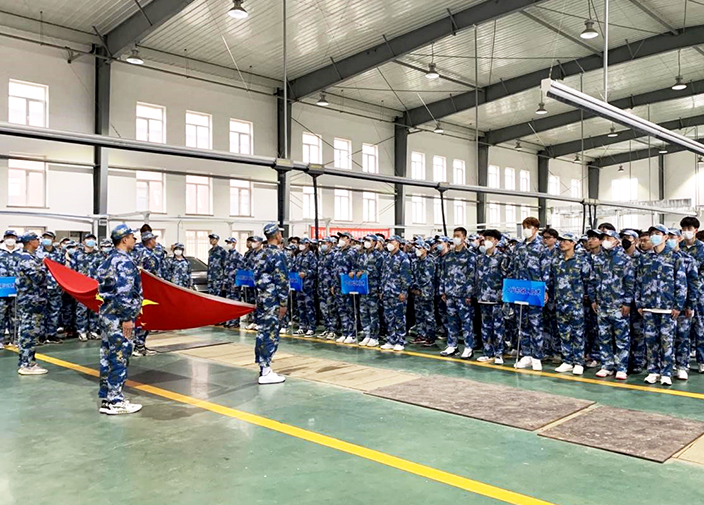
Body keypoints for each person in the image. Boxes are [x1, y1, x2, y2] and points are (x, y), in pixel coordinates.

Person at [96, 224, 143, 414]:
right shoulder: (124, 262)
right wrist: (127, 317)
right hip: (119, 317)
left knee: (107, 355)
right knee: (120, 355)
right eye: (132, 237)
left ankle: (108, 397)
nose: (134, 240)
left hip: (108, 314)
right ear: (124, 239)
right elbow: (123, 293)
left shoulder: (109, 259)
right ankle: (115, 400)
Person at [635, 225, 686, 386]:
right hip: (649, 307)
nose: (654, 236)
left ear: (665, 237)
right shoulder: (644, 258)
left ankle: (666, 372)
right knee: (650, 341)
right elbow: (639, 282)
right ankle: (653, 371)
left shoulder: (675, 258)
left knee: (666, 341)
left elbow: (681, 283)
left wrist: (678, 305)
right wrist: (639, 303)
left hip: (667, 308)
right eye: (652, 234)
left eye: (658, 233)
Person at [591, 229, 634, 380]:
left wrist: (627, 302)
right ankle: (607, 365)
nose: (606, 241)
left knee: (622, 338)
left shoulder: (624, 260)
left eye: (609, 238)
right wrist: (593, 299)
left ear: (617, 241)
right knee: (604, 337)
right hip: (602, 305)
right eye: (604, 238)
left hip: (618, 305)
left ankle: (621, 367)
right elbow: (593, 280)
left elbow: (629, 283)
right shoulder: (598, 259)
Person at [551, 232, 593, 375]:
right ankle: (567, 360)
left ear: (573, 243)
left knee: (578, 332)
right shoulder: (557, 261)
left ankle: (579, 361)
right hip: (560, 301)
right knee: (564, 332)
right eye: (561, 241)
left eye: (566, 241)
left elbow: (588, 281)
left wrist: (587, 297)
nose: (562, 243)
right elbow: (553, 281)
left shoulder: (581, 261)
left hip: (576, 303)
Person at [512, 217, 551, 371]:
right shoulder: (519, 247)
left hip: (535, 289)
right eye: (524, 226)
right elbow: (514, 268)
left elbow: (546, 270)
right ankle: (526, 354)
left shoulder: (542, 247)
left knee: (536, 324)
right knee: (522, 323)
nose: (526, 229)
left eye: (529, 227)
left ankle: (537, 356)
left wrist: (545, 289)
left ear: (536, 229)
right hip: (520, 289)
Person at [254, 224, 289, 385]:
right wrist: (283, 302)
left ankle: (263, 367)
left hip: (262, 298)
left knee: (262, 332)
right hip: (273, 300)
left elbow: (256, 276)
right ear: (276, 235)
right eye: (280, 233)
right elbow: (281, 280)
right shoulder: (278, 254)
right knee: (271, 333)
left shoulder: (260, 253)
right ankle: (266, 371)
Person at [439, 227, 476, 359]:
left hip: (463, 295)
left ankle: (468, 347)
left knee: (466, 322)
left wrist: (469, 294)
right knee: (451, 321)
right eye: (454, 235)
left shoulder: (470, 256)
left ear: (464, 237)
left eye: (458, 235)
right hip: (450, 294)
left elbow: (472, 277)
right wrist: (443, 291)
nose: (455, 238)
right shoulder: (448, 256)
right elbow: (443, 274)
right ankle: (452, 345)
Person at [15, 232, 49, 375]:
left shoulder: (32, 257)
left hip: (34, 300)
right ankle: (26, 364)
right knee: (27, 331)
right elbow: (37, 278)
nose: (38, 241)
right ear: (30, 242)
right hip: (29, 300)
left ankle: (30, 361)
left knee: (32, 331)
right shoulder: (26, 259)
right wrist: (45, 268)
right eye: (36, 239)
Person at [669, 229, 698, 380]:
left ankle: (682, 366)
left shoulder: (687, 259)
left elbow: (693, 284)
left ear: (679, 238)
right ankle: (667, 366)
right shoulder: (661, 258)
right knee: (666, 338)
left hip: (683, 306)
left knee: (682, 337)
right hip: (665, 306)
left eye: (673, 237)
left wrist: (690, 305)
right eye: (668, 237)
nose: (670, 239)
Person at [475, 229, 507, 364]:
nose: (486, 241)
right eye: (485, 239)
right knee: (485, 326)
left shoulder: (502, 258)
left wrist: (504, 296)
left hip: (497, 298)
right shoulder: (480, 258)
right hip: (483, 298)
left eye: (490, 239)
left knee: (498, 326)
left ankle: (499, 353)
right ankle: (488, 352)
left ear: (496, 241)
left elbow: (506, 277)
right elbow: (477, 278)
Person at [680, 215, 704, 374]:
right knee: (683, 330)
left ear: (695, 230)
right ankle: (683, 362)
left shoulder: (702, 248)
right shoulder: (678, 247)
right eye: (684, 229)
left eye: (689, 229)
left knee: (700, 328)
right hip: (682, 294)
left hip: (700, 294)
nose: (686, 231)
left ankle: (702, 361)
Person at [380, 236, 411, 351]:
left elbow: (406, 277)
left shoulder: (403, 258)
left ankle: (400, 341)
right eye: (388, 242)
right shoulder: (387, 257)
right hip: (387, 292)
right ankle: (391, 340)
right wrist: (382, 290)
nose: (389, 244)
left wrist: (403, 292)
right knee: (389, 317)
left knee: (399, 317)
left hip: (398, 293)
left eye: (391, 241)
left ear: (398, 243)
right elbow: (383, 274)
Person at [132, 231, 161, 356]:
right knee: (144, 318)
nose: (155, 241)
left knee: (139, 318)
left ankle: (137, 345)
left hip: (138, 290)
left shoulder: (137, 253)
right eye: (154, 239)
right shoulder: (148, 256)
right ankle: (139, 346)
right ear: (149, 241)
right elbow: (151, 274)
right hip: (145, 291)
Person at [36, 231, 64, 344]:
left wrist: (61, 284)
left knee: (54, 311)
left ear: (53, 240)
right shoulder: (37, 253)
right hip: (42, 287)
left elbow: (62, 270)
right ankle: (41, 335)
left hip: (55, 287)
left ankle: (51, 334)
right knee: (41, 311)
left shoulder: (59, 253)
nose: (46, 239)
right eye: (45, 237)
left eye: (49, 237)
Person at [73, 233, 102, 341]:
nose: (91, 241)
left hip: (95, 286)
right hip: (81, 287)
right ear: (84, 241)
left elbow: (102, 271)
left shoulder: (98, 255)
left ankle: (93, 330)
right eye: (88, 239)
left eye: (93, 239)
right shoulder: (77, 255)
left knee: (94, 308)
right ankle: (82, 331)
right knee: (82, 309)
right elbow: (72, 271)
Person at [357, 234, 383, 347]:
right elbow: (358, 268)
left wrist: (380, 290)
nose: (366, 242)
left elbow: (381, 273)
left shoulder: (379, 256)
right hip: (362, 288)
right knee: (363, 313)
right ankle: (367, 334)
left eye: (369, 240)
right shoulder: (362, 255)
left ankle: (374, 337)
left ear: (374, 242)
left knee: (373, 314)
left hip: (373, 288)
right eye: (365, 240)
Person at [332, 232, 357, 344]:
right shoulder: (337, 252)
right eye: (340, 237)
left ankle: (352, 334)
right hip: (338, 285)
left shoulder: (353, 252)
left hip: (348, 284)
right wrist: (333, 284)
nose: (341, 239)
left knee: (349, 310)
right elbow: (334, 269)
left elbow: (357, 267)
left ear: (349, 240)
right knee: (341, 310)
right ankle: (345, 332)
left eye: (344, 237)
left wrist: (354, 272)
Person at [410, 241, 436, 347]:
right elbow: (412, 275)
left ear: (425, 249)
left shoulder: (430, 261)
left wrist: (419, 289)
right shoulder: (415, 262)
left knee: (428, 315)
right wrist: (413, 288)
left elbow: (427, 278)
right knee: (419, 315)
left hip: (426, 292)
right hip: (416, 293)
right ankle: (421, 335)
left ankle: (430, 337)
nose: (417, 250)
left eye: (419, 248)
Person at [0, 230, 21, 345]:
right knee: (1, 315)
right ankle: (0, 339)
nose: (10, 239)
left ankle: (15, 339)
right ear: (4, 238)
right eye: (8, 237)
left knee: (15, 315)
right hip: (1, 289)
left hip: (16, 288)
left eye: (12, 237)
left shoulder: (20, 252)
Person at [294, 238, 318, 336]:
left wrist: (306, 273)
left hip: (308, 285)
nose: (300, 245)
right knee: (300, 306)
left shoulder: (311, 255)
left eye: (302, 243)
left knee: (309, 306)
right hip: (299, 285)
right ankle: (302, 326)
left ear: (307, 244)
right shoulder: (298, 255)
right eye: (300, 243)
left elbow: (314, 270)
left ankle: (311, 327)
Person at [318, 237, 339, 340]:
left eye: (325, 243)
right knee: (323, 308)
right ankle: (327, 328)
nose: (323, 245)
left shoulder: (334, 255)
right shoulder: (321, 255)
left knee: (331, 309)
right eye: (322, 243)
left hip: (329, 286)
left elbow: (335, 271)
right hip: (321, 286)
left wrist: (333, 285)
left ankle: (333, 330)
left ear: (330, 244)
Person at [223, 237, 242, 328]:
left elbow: (240, 270)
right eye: (227, 243)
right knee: (228, 302)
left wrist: (237, 283)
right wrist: (224, 282)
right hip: (228, 283)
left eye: (230, 242)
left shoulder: (238, 255)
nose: (228, 244)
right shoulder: (227, 255)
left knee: (235, 302)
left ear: (234, 243)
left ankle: (235, 321)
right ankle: (229, 320)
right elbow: (225, 270)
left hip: (234, 283)